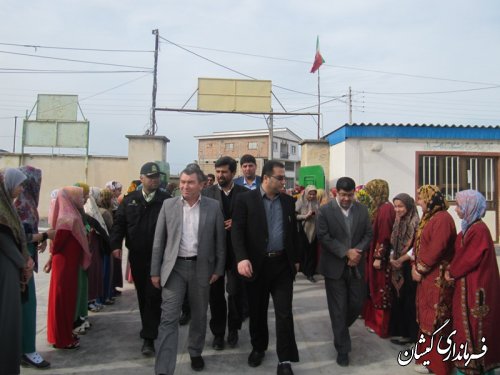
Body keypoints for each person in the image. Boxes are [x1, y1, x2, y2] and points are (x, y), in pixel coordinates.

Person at [151, 163, 226, 375]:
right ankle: (164, 369)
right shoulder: (168, 205)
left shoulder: (212, 206)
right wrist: (155, 271)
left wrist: (219, 269)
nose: (185, 186)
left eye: (190, 182)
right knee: (168, 318)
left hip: (201, 268)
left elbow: (220, 241)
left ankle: (195, 351)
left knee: (200, 314)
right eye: (182, 182)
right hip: (174, 268)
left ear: (201, 184)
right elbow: (159, 241)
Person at [232, 160, 300, 375]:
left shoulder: (289, 202)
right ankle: (258, 348)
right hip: (256, 266)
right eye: (280, 178)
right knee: (257, 311)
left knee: (284, 313)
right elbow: (237, 232)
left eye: (284, 178)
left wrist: (295, 259)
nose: (284, 181)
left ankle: (285, 360)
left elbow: (293, 233)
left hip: (282, 266)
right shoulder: (245, 200)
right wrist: (241, 258)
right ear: (267, 178)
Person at [110, 162, 171, 356]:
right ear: (141, 178)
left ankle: (149, 338)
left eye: (157, 177)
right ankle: (150, 328)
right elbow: (119, 224)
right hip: (136, 256)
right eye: (151, 177)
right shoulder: (129, 200)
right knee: (143, 295)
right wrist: (115, 245)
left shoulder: (166, 200)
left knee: (154, 295)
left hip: (159, 256)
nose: (155, 180)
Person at [316, 176, 373, 367]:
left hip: (356, 265)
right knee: (338, 309)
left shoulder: (362, 210)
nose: (346, 199)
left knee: (356, 305)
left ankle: (339, 328)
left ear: (354, 193)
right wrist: (345, 252)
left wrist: (356, 252)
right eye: (343, 195)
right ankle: (343, 349)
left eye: (350, 195)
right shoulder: (325, 211)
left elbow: (368, 234)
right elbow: (323, 236)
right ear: (336, 193)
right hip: (334, 268)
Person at [446, 190, 500, 375]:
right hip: (468, 283)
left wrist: (451, 272)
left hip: (477, 286)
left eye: (460, 206)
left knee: (477, 326)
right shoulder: (469, 226)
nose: (456, 209)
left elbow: (468, 258)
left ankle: (476, 368)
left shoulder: (478, 230)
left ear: (470, 208)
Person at [202, 156, 248, 350]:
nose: (220, 175)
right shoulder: (207, 194)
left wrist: (237, 225)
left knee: (236, 293)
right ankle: (218, 333)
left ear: (233, 173)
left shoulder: (245, 194)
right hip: (214, 253)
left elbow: (253, 223)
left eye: (224, 172)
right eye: (218, 171)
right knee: (215, 295)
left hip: (237, 253)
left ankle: (233, 329)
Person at [412, 185, 456, 375]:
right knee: (426, 315)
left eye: (421, 198)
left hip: (437, 276)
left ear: (430, 200)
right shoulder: (430, 217)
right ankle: (426, 358)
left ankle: (438, 365)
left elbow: (436, 248)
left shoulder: (443, 219)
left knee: (436, 318)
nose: (418, 202)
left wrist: (420, 269)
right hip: (428, 276)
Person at [15, 166, 54, 369]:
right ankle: (27, 350)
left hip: (24, 260)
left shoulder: (26, 203)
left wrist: (41, 239)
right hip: (21, 264)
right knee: (26, 306)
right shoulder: (20, 205)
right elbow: (18, 236)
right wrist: (45, 236)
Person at [47, 186, 91, 350]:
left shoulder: (73, 215)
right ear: (70, 198)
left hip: (69, 265)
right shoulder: (68, 218)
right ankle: (61, 338)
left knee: (66, 300)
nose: (82, 199)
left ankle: (63, 334)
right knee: (62, 301)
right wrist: (52, 257)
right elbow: (58, 243)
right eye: (79, 196)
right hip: (64, 265)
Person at [0, 168, 32, 375]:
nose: (21, 189)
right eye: (19, 184)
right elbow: (4, 240)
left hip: (11, 266)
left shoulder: (7, 207)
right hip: (6, 268)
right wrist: (23, 262)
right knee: (7, 319)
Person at [362, 179, 396, 338]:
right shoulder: (381, 208)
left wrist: (378, 256)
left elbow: (384, 236)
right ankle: (374, 322)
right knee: (374, 288)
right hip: (374, 255)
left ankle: (381, 326)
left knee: (381, 289)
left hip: (381, 259)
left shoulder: (386, 209)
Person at [388, 193, 419, 345]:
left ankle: (410, 334)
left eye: (401, 206)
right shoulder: (397, 220)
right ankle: (399, 332)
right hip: (396, 266)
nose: (397, 209)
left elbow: (417, 247)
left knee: (409, 301)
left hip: (408, 265)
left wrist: (401, 259)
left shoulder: (415, 222)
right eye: (395, 206)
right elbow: (393, 241)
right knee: (398, 299)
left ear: (409, 206)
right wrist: (392, 257)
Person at [295, 185, 319, 283]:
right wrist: (305, 216)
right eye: (310, 194)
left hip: (314, 230)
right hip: (302, 229)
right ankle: (303, 269)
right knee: (303, 251)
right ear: (306, 193)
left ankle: (310, 273)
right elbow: (294, 215)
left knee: (312, 252)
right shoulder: (300, 201)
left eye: (314, 194)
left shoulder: (316, 202)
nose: (312, 196)